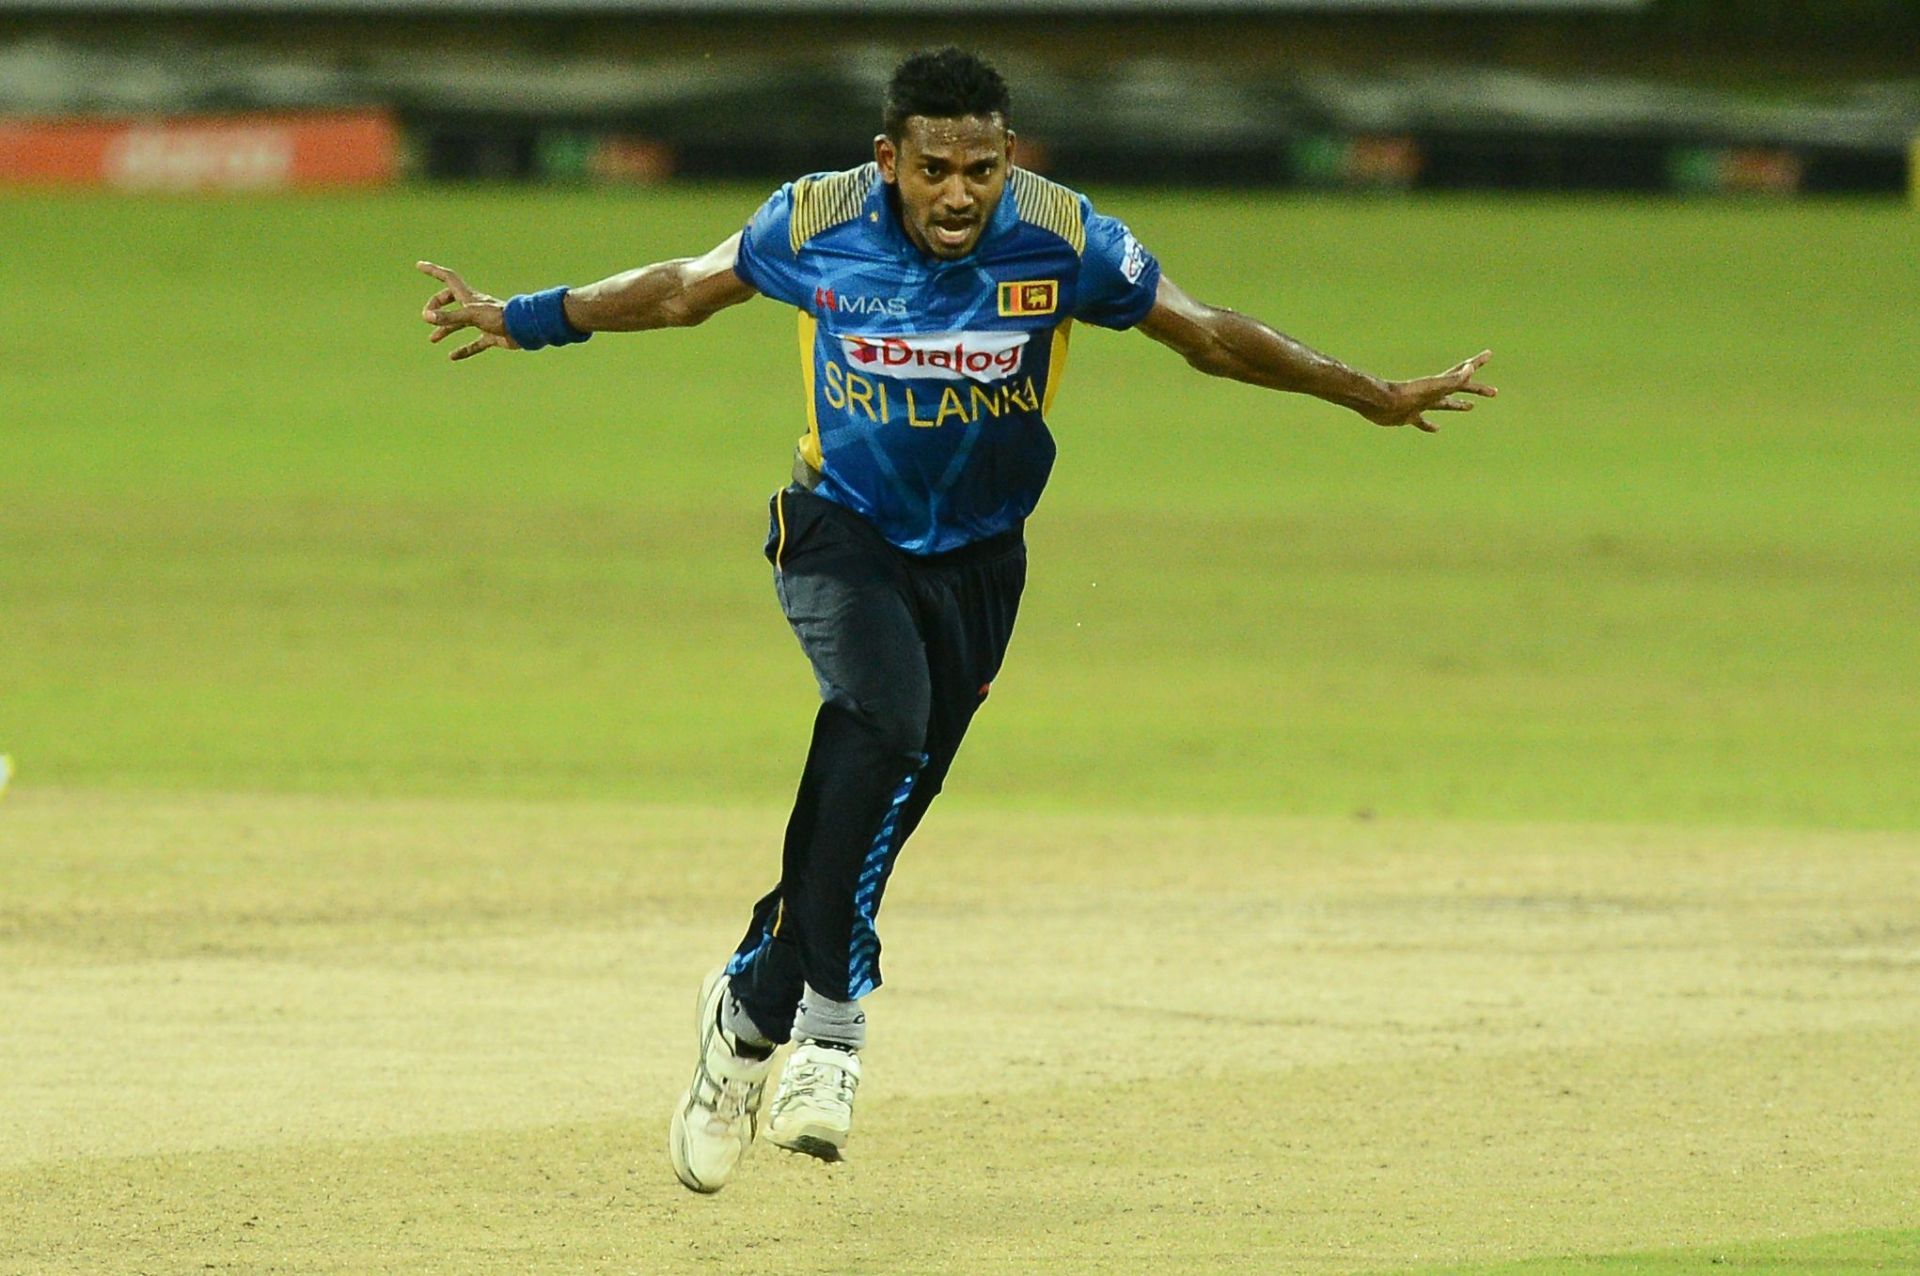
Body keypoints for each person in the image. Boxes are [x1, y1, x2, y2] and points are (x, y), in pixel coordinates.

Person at [415, 46, 1496, 1194]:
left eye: (983, 166)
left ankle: (746, 1009)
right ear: (891, 161)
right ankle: (831, 1030)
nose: (960, 193)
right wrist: (528, 318)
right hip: (840, 531)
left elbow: (1211, 335)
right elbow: (683, 288)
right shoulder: (817, 221)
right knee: (879, 720)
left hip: (981, 566)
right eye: (934, 167)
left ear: (1008, 158)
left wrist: (1370, 394)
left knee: (889, 796)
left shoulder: (1064, 236)